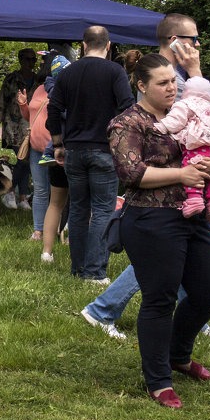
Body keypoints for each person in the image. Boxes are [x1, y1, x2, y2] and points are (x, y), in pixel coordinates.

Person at [80, 14, 210, 340]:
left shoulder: (167, 74)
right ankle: (103, 308)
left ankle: (194, 317)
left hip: (181, 187)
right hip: (164, 194)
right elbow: (206, 119)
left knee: (175, 260)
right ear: (176, 40)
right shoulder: (171, 79)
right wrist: (195, 73)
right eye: (193, 39)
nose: (198, 45)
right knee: (159, 259)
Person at [108, 53, 210, 409]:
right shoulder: (128, 122)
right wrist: (182, 175)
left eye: (173, 82)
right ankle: (159, 380)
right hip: (151, 220)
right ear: (141, 85)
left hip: (195, 216)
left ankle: (178, 355)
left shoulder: (191, 110)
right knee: (160, 300)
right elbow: (132, 174)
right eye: (162, 83)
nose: (171, 89)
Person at [47, 26, 134, 284]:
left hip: (73, 150)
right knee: (103, 211)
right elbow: (128, 108)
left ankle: (78, 269)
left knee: (78, 209)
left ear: (83, 45)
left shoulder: (68, 72)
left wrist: (58, 144)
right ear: (108, 46)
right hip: (104, 150)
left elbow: (54, 110)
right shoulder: (115, 71)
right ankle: (94, 273)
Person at [153, 76, 210, 219]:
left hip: (197, 147)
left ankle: (195, 200)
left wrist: (161, 127)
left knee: (192, 170)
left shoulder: (186, 104)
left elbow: (176, 120)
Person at [19, 54, 71, 260]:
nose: (39, 66)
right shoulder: (40, 89)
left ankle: (63, 233)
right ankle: (38, 230)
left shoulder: (66, 90)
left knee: (61, 194)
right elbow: (31, 116)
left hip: (56, 148)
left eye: (42, 63)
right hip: (36, 147)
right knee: (40, 190)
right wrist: (24, 105)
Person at [0, 47, 38, 208]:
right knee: (22, 159)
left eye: (34, 59)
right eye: (28, 59)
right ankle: (10, 192)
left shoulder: (39, 80)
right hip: (14, 126)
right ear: (20, 60)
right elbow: (1, 101)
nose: (31, 63)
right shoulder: (11, 79)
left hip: (33, 126)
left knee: (25, 161)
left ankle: (23, 198)